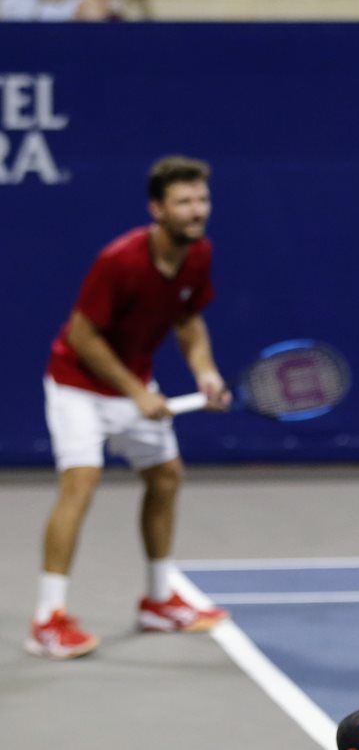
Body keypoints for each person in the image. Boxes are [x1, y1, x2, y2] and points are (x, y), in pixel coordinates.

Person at [26, 155, 232, 661]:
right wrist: (136, 393)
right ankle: (47, 620)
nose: (197, 210)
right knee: (82, 481)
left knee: (166, 476)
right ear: (156, 209)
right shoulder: (120, 260)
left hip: (133, 384)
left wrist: (205, 372)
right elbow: (82, 335)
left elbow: (188, 320)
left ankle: (159, 601)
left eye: (201, 199)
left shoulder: (198, 254)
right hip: (77, 385)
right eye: (183, 202)